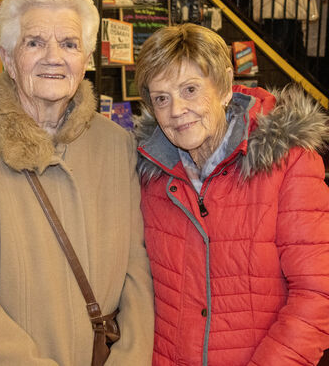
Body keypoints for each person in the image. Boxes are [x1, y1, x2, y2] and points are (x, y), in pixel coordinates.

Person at [0, 0, 154, 365]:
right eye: (34, 42)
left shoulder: (117, 144)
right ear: (9, 59)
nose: (54, 56)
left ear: (85, 61)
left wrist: (128, 358)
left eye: (69, 44)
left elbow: (136, 270)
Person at [134, 23, 329, 365]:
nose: (177, 110)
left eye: (191, 89)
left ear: (224, 87)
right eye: (162, 98)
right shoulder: (149, 174)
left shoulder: (289, 163)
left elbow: (318, 294)